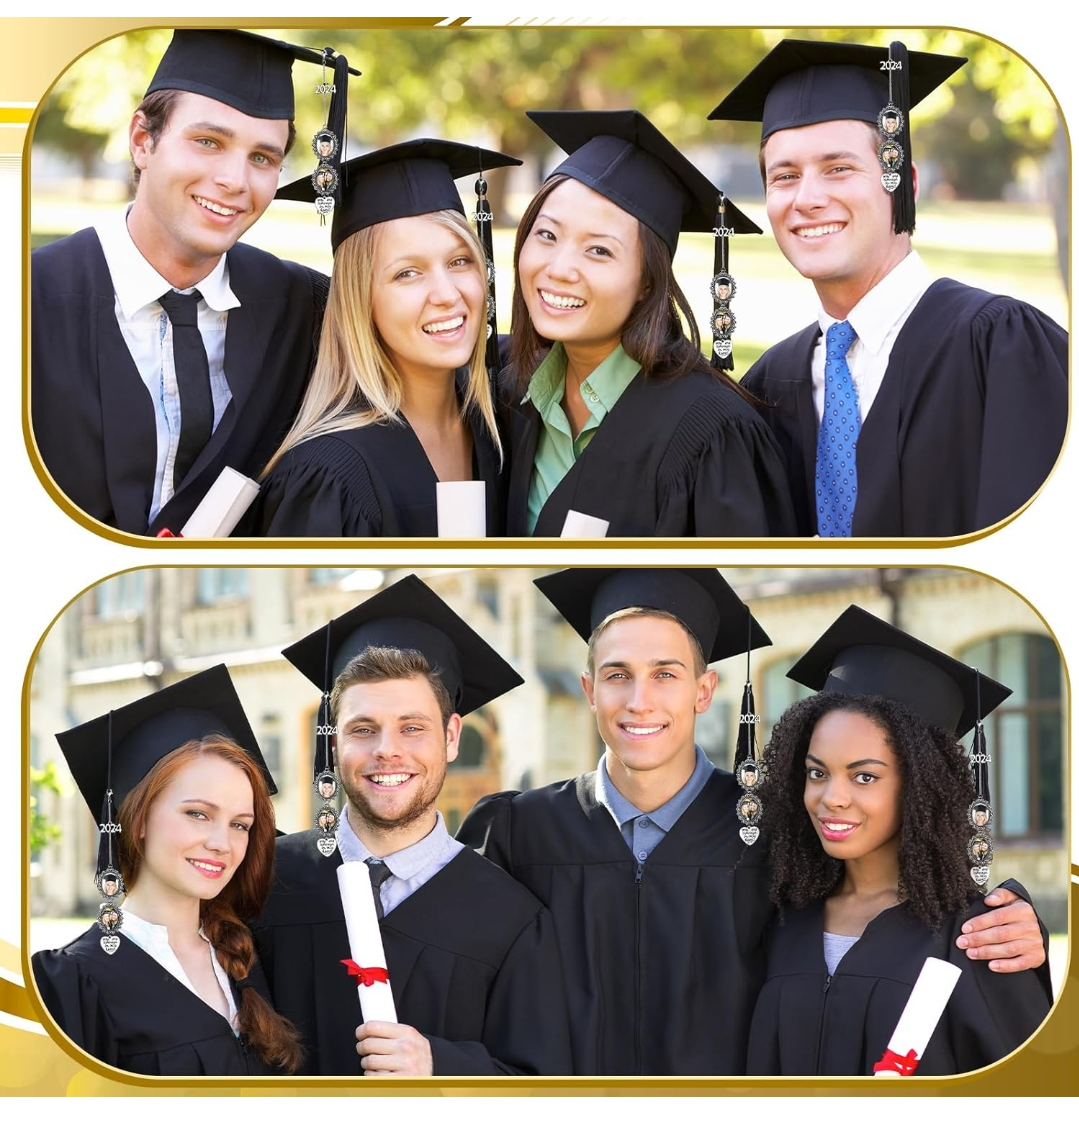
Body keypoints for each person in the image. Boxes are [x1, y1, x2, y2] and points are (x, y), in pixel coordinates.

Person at [458, 567, 1050, 1075]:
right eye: (617, 674)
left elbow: (901, 887)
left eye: (666, 673)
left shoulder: (771, 839)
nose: (639, 700)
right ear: (589, 689)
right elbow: (449, 954)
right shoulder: (517, 833)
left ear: (704, 689)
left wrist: (1015, 915)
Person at [709, 39, 1068, 537]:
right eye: (785, 176)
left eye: (838, 168)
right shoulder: (768, 386)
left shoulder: (1000, 347)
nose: (808, 198)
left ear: (905, 182)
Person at [31, 30, 356, 536]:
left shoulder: (307, 311)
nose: (235, 180)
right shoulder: (29, 302)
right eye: (208, 142)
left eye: (262, 158)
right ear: (142, 140)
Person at [251, 575, 572, 1075]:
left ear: (451, 737)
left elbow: (537, 1085)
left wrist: (440, 1065)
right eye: (362, 729)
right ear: (334, 743)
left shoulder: (511, 917)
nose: (387, 750)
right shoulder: (269, 880)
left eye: (412, 727)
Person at [746, 606, 1053, 1074]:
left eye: (864, 776)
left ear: (922, 787)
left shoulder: (976, 938)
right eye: (816, 772)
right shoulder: (778, 917)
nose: (833, 798)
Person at [502, 110, 796, 537]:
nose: (559, 268)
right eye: (547, 235)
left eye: (599, 251)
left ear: (647, 283)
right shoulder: (508, 389)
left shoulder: (713, 436)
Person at [32, 666, 302, 1076]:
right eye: (197, 813)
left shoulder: (244, 956)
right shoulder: (73, 982)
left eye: (240, 825)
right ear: (138, 820)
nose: (222, 843)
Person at [250, 141, 521, 537]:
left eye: (459, 261)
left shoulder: (498, 423)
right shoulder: (326, 478)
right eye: (407, 273)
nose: (447, 294)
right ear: (360, 300)